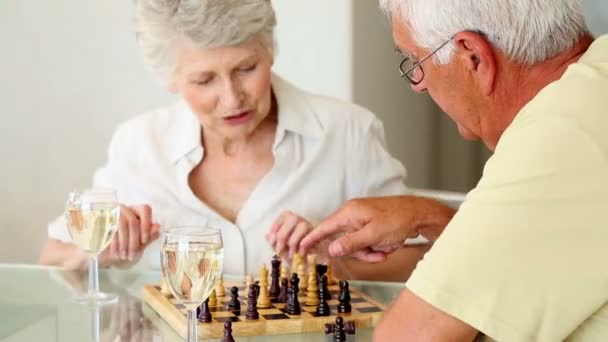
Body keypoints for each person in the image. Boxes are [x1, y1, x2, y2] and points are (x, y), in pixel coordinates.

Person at [38, 0, 454, 280]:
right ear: (169, 79)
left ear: (270, 50)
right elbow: (51, 260)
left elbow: (423, 260)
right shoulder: (138, 145)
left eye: (246, 68)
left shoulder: (346, 132)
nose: (232, 97)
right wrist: (99, 254)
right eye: (204, 80)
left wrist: (338, 257)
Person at [300, 0, 608, 340]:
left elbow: (407, 337)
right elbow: (540, 250)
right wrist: (433, 218)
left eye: (416, 61)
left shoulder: (559, 133)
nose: (418, 83)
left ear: (472, 56)